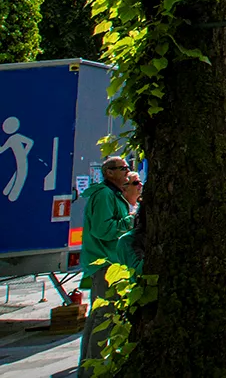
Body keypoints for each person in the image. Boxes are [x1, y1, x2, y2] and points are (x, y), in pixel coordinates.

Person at [79, 155, 133, 373]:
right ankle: (95, 370)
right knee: (105, 318)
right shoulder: (104, 195)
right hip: (106, 264)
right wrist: (132, 220)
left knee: (98, 318)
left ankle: (89, 368)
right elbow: (103, 230)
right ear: (109, 172)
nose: (127, 172)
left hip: (108, 263)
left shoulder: (111, 194)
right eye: (123, 168)